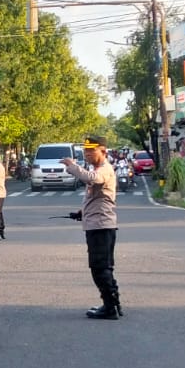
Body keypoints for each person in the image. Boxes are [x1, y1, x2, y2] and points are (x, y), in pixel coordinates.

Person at [61, 134, 121, 319]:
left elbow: (91, 178)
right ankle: (113, 304)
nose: (87, 154)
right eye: (85, 150)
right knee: (103, 267)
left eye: (91, 150)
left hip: (101, 227)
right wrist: (82, 212)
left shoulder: (104, 169)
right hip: (97, 224)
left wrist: (72, 166)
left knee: (100, 268)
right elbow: (97, 198)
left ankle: (110, 307)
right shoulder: (99, 168)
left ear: (103, 151)